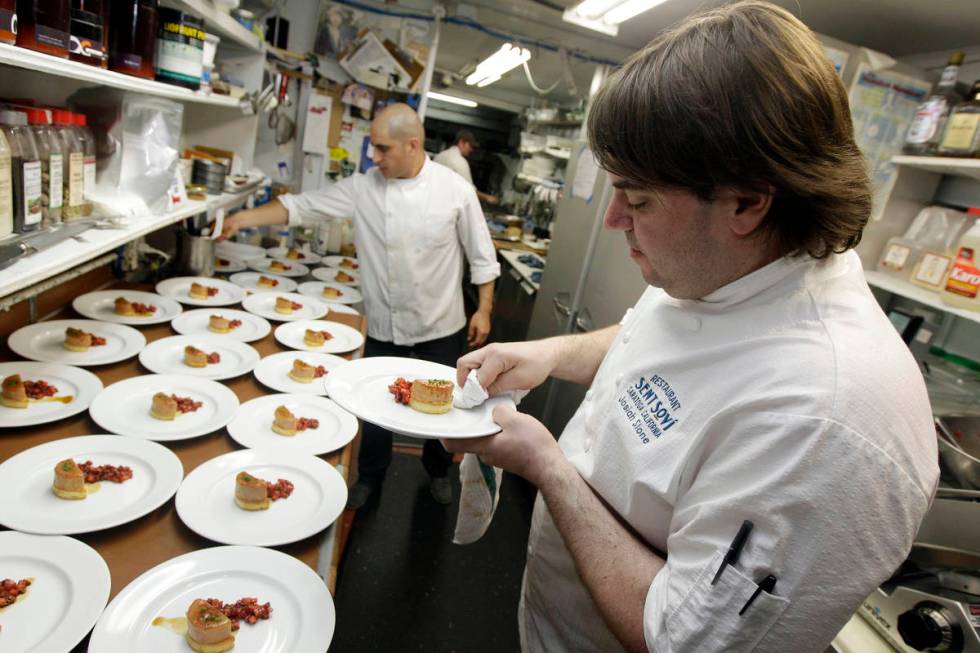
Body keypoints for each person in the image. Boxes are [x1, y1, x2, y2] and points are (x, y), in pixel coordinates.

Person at [442, 3, 938, 652]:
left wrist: (549, 465)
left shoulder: (823, 421)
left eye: (639, 198)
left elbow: (678, 636)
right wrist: (554, 352)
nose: (615, 217)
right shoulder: (724, 269)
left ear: (747, 201)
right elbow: (652, 342)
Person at [220, 103, 500, 509]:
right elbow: (302, 207)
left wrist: (485, 308)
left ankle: (438, 471)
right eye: (373, 148)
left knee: (449, 407)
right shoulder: (364, 187)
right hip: (384, 323)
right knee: (374, 410)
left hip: (441, 322)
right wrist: (243, 219)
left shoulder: (454, 190)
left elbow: (482, 254)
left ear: (412, 145)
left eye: (383, 149)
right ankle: (370, 477)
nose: (374, 157)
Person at [434, 130, 498, 205]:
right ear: (461, 142)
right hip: (446, 205)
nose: (471, 149)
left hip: (433, 202)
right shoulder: (459, 161)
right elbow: (469, 191)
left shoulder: (439, 156)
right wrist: (487, 197)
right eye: (470, 146)